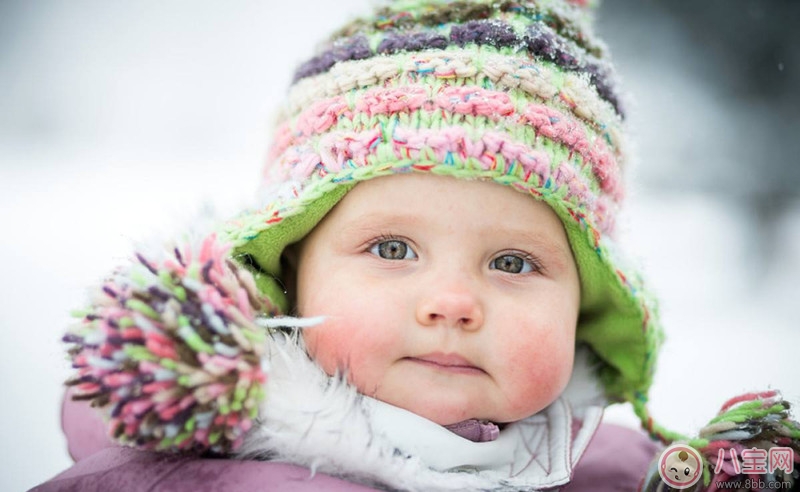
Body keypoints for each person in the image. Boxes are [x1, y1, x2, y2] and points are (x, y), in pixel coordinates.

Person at [33, 0, 799, 491]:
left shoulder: (617, 472)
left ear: (587, 305)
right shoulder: (170, 476)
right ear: (291, 270)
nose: (453, 304)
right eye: (393, 249)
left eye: (512, 263)